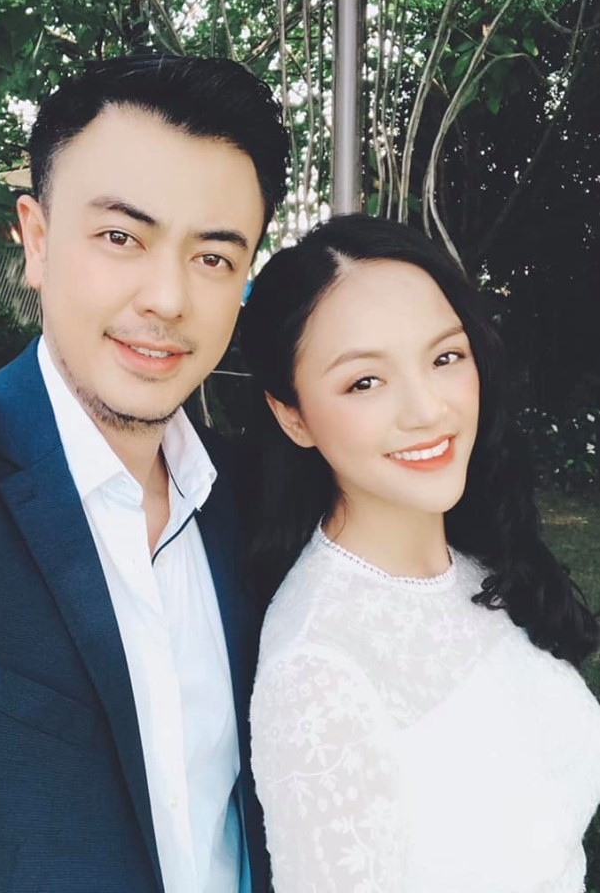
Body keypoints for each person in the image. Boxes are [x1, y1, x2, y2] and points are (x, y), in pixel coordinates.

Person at [0, 54, 289, 893]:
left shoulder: (255, 501)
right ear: (36, 240)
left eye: (213, 257)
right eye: (120, 238)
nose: (167, 298)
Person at [239, 213, 600, 893]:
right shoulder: (317, 674)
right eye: (364, 382)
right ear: (292, 415)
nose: (427, 410)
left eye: (444, 358)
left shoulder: (480, 563)